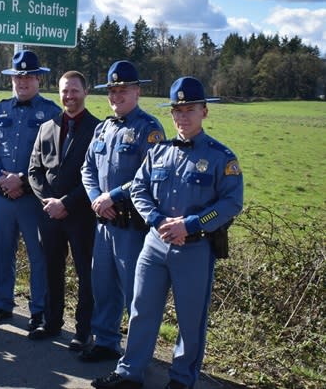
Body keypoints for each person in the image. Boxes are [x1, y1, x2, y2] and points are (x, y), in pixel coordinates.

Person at [91, 76, 243, 389]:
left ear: (204, 112)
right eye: (177, 110)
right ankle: (129, 373)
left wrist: (192, 224)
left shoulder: (221, 158)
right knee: (141, 311)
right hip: (154, 244)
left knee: (190, 320)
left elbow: (231, 203)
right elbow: (140, 189)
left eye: (190, 109)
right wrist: (156, 219)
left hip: (194, 247)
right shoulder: (158, 152)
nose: (183, 116)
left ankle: (181, 379)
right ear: (171, 114)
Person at [80, 60, 165, 362]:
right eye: (112, 91)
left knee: (135, 293)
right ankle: (105, 341)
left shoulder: (149, 129)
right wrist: (95, 198)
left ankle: (139, 356)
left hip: (131, 226)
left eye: (123, 90)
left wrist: (112, 196)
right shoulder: (103, 128)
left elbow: (150, 174)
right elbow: (87, 167)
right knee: (102, 286)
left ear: (137, 91)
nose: (116, 96)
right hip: (103, 222)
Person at [0, 50, 61, 330]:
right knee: (1, 251)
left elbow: (53, 157)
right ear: (11, 79)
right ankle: (2, 304)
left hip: (33, 198)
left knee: (38, 256)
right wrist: (1, 178)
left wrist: (23, 182)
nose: (22, 82)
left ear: (39, 79)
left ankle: (38, 310)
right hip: (3, 195)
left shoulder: (52, 113)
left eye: (28, 77)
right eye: (18, 77)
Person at [27, 71, 100, 347]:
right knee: (51, 270)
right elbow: (34, 170)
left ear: (85, 92)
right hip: (49, 215)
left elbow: (95, 176)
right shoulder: (47, 127)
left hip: (80, 215)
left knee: (85, 275)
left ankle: (83, 333)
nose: (69, 96)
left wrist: (66, 203)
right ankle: (52, 323)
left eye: (74, 91)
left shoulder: (97, 129)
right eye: (65, 91)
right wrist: (49, 201)